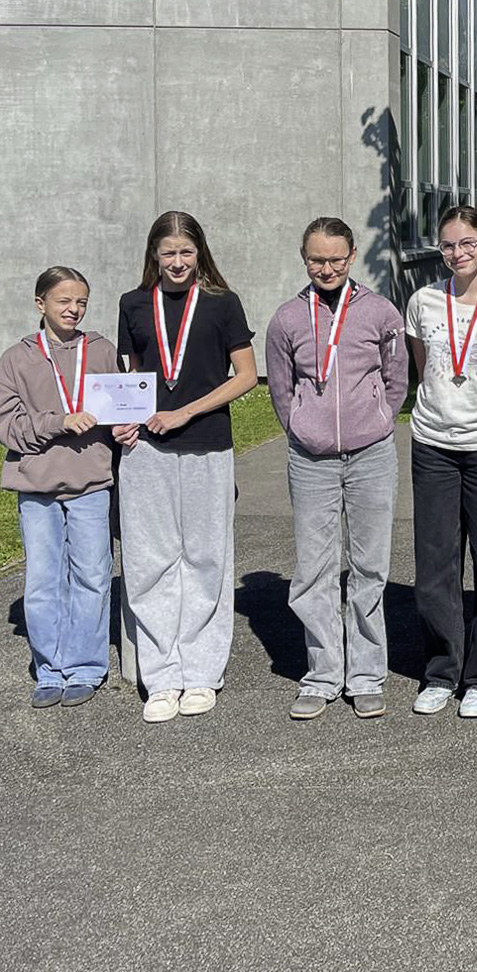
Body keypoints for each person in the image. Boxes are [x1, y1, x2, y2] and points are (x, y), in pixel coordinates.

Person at [115, 211, 257, 724]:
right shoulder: (133, 304)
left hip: (206, 445)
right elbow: (132, 380)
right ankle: (161, 675)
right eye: (168, 253)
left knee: (205, 559)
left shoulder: (222, 304)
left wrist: (187, 410)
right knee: (150, 561)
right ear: (154, 254)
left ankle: (200, 672)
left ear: (201, 253)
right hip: (146, 452)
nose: (177, 263)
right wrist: (126, 422)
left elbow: (245, 376)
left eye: (186, 252)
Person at [266, 217, 408, 720]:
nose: (326, 268)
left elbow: (396, 379)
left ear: (351, 256)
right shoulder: (286, 318)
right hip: (311, 460)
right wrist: (303, 427)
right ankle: (323, 673)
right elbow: (281, 390)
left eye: (335, 259)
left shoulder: (379, 312)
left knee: (370, 567)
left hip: (371, 455)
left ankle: (366, 673)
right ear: (304, 258)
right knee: (314, 569)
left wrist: (379, 417)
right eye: (316, 259)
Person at [404, 205, 477, 718]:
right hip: (432, 443)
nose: (457, 253)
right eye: (449, 245)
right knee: (435, 564)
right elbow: (422, 367)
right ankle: (441, 670)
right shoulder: (423, 301)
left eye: (467, 243)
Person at [0, 267, 120, 708]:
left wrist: (124, 425)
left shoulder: (103, 350)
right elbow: (7, 426)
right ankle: (50, 668)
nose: (73, 309)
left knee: (91, 577)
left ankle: (86, 667)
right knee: (43, 581)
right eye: (63, 301)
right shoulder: (16, 359)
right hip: (37, 488)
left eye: (81, 302)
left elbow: (119, 408)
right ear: (40, 304)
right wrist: (57, 422)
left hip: (90, 482)